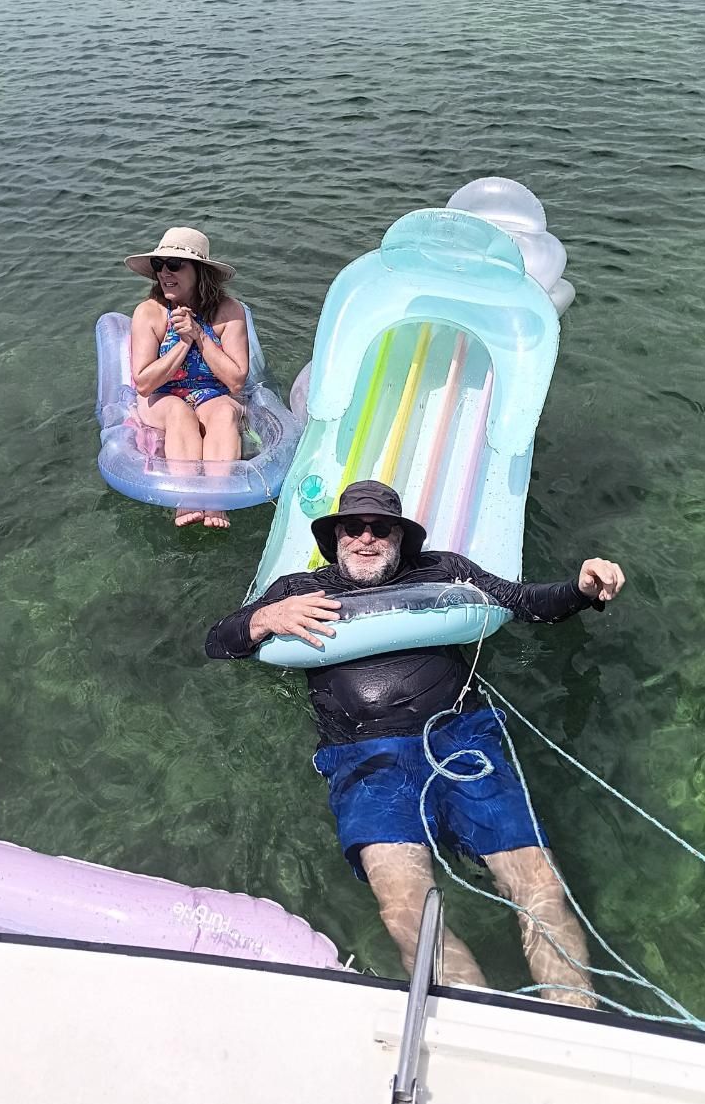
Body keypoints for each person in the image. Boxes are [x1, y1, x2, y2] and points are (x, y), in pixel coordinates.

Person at [205, 480, 625, 1004]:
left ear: (401, 539)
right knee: (406, 911)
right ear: (334, 538)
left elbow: (527, 603)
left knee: (539, 886)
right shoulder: (298, 591)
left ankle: (572, 1021)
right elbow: (217, 643)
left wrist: (582, 589)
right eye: (351, 528)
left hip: (459, 738)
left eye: (380, 528)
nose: (365, 538)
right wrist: (262, 619)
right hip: (363, 758)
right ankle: (475, 1021)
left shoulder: (443, 571)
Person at [126, 227, 249, 529]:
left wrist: (200, 337)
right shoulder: (149, 313)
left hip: (210, 395)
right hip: (162, 397)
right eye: (159, 265)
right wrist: (182, 344)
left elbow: (236, 381)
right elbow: (144, 383)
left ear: (200, 271)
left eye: (175, 265)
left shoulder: (228, 312)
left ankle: (217, 501)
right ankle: (188, 499)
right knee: (179, 412)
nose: (165, 273)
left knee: (223, 411)